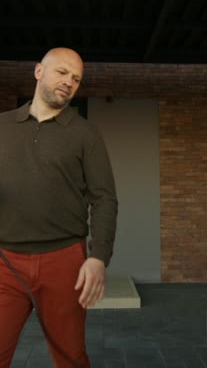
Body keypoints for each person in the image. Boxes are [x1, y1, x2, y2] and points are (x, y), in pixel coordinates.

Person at [0, 47, 118, 367]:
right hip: (5, 263)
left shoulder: (85, 134)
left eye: (76, 78)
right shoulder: (2, 126)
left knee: (71, 357)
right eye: (62, 72)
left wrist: (98, 257)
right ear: (39, 71)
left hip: (65, 261)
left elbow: (104, 198)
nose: (69, 81)